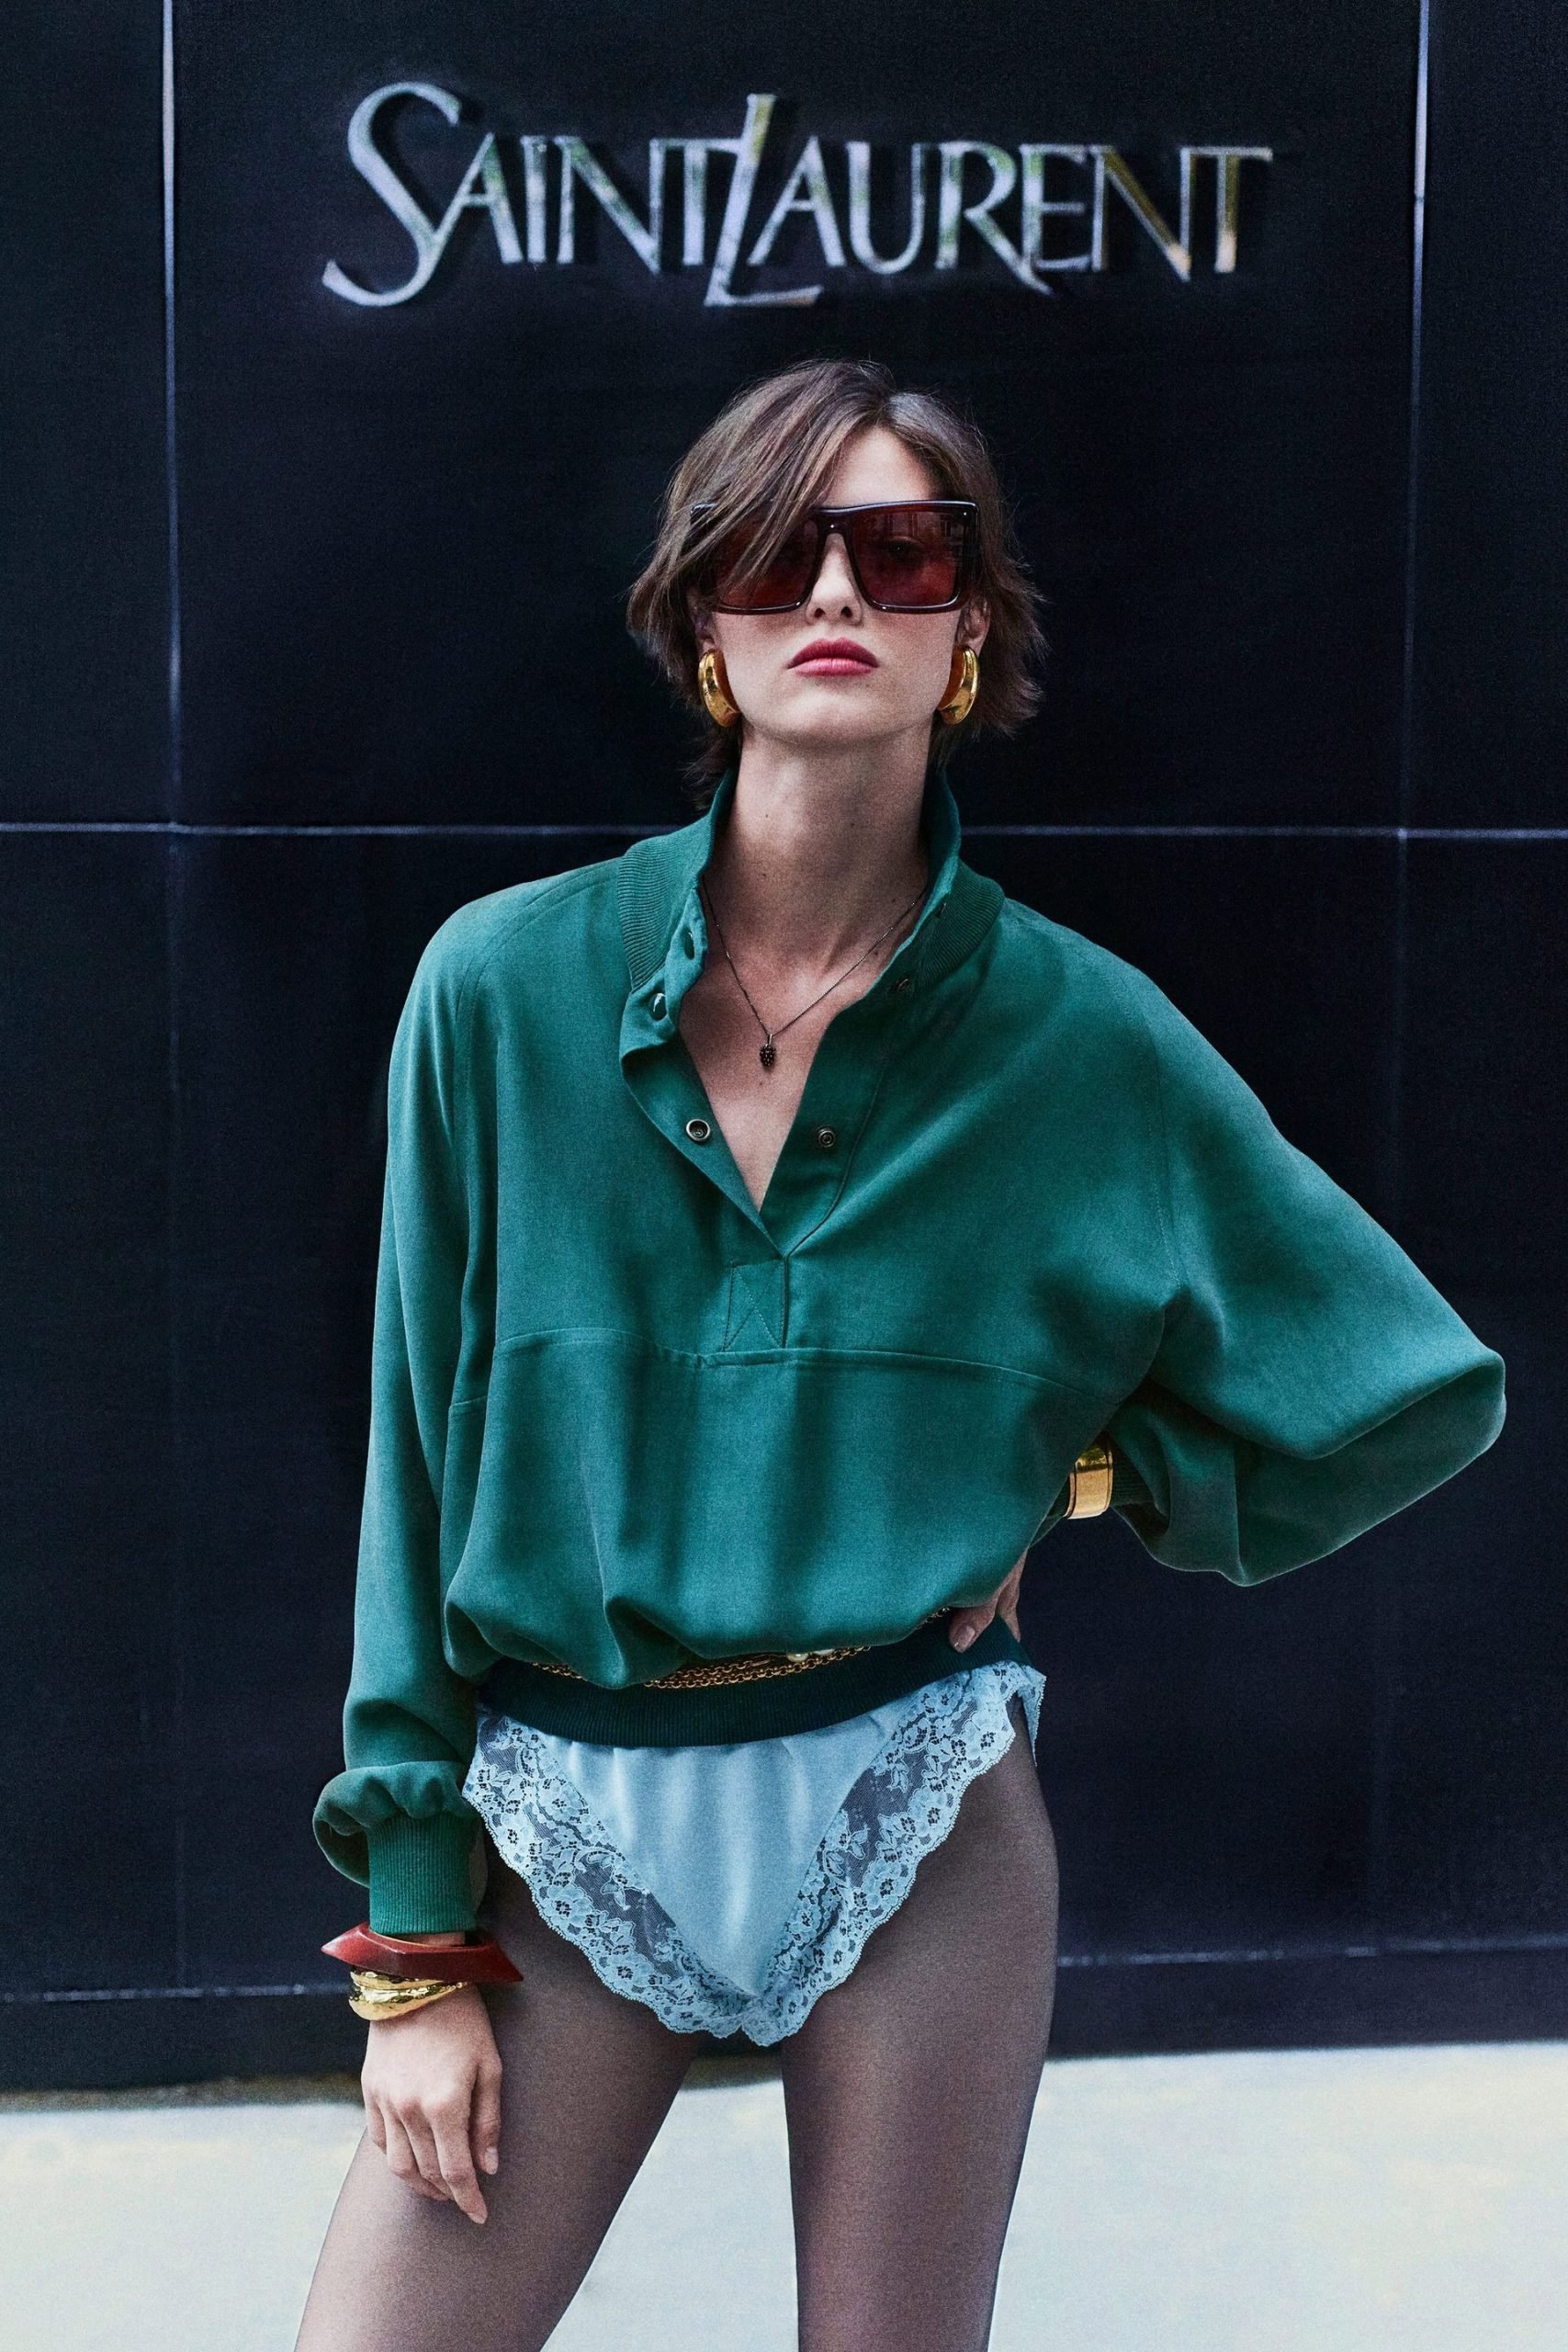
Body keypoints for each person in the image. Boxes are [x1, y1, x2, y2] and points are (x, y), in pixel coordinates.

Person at [295, 357, 1505, 2351]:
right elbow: (413, 1474)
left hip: (915, 1807)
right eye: (781, 551)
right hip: (560, 1825)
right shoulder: (497, 987)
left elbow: (1398, 1386)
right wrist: (413, 1946)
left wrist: (1084, 1476)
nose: (839, 589)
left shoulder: (1079, 1037)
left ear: (967, 630)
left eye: (904, 550)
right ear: (707, 621)